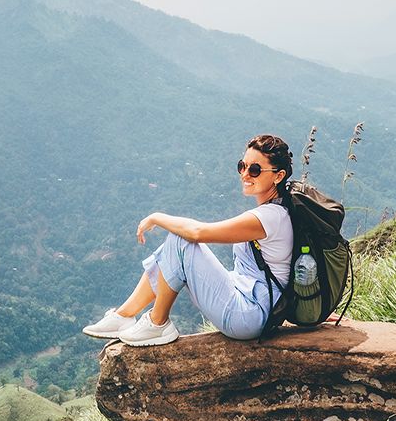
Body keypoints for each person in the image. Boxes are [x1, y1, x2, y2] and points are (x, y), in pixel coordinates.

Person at [83, 134, 294, 346]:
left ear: (278, 176)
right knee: (174, 248)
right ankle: (123, 316)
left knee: (181, 240)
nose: (245, 174)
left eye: (255, 170)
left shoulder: (270, 218)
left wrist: (157, 217)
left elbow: (197, 232)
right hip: (249, 300)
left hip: (249, 315)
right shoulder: (278, 211)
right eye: (242, 166)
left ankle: (157, 324)